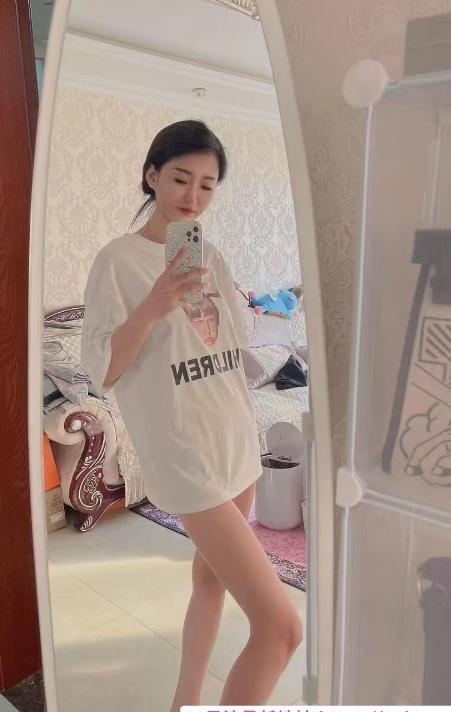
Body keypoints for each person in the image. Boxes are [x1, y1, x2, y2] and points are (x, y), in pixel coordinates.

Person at [81, 120, 302, 709]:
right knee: (282, 629)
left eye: (208, 184)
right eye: (181, 178)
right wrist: (155, 304)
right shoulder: (118, 261)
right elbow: (103, 368)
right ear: (152, 175)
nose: (193, 196)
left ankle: (184, 701)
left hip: (235, 435)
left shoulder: (212, 257)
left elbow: (232, 345)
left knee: (210, 578)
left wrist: (238, 303)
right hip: (184, 451)